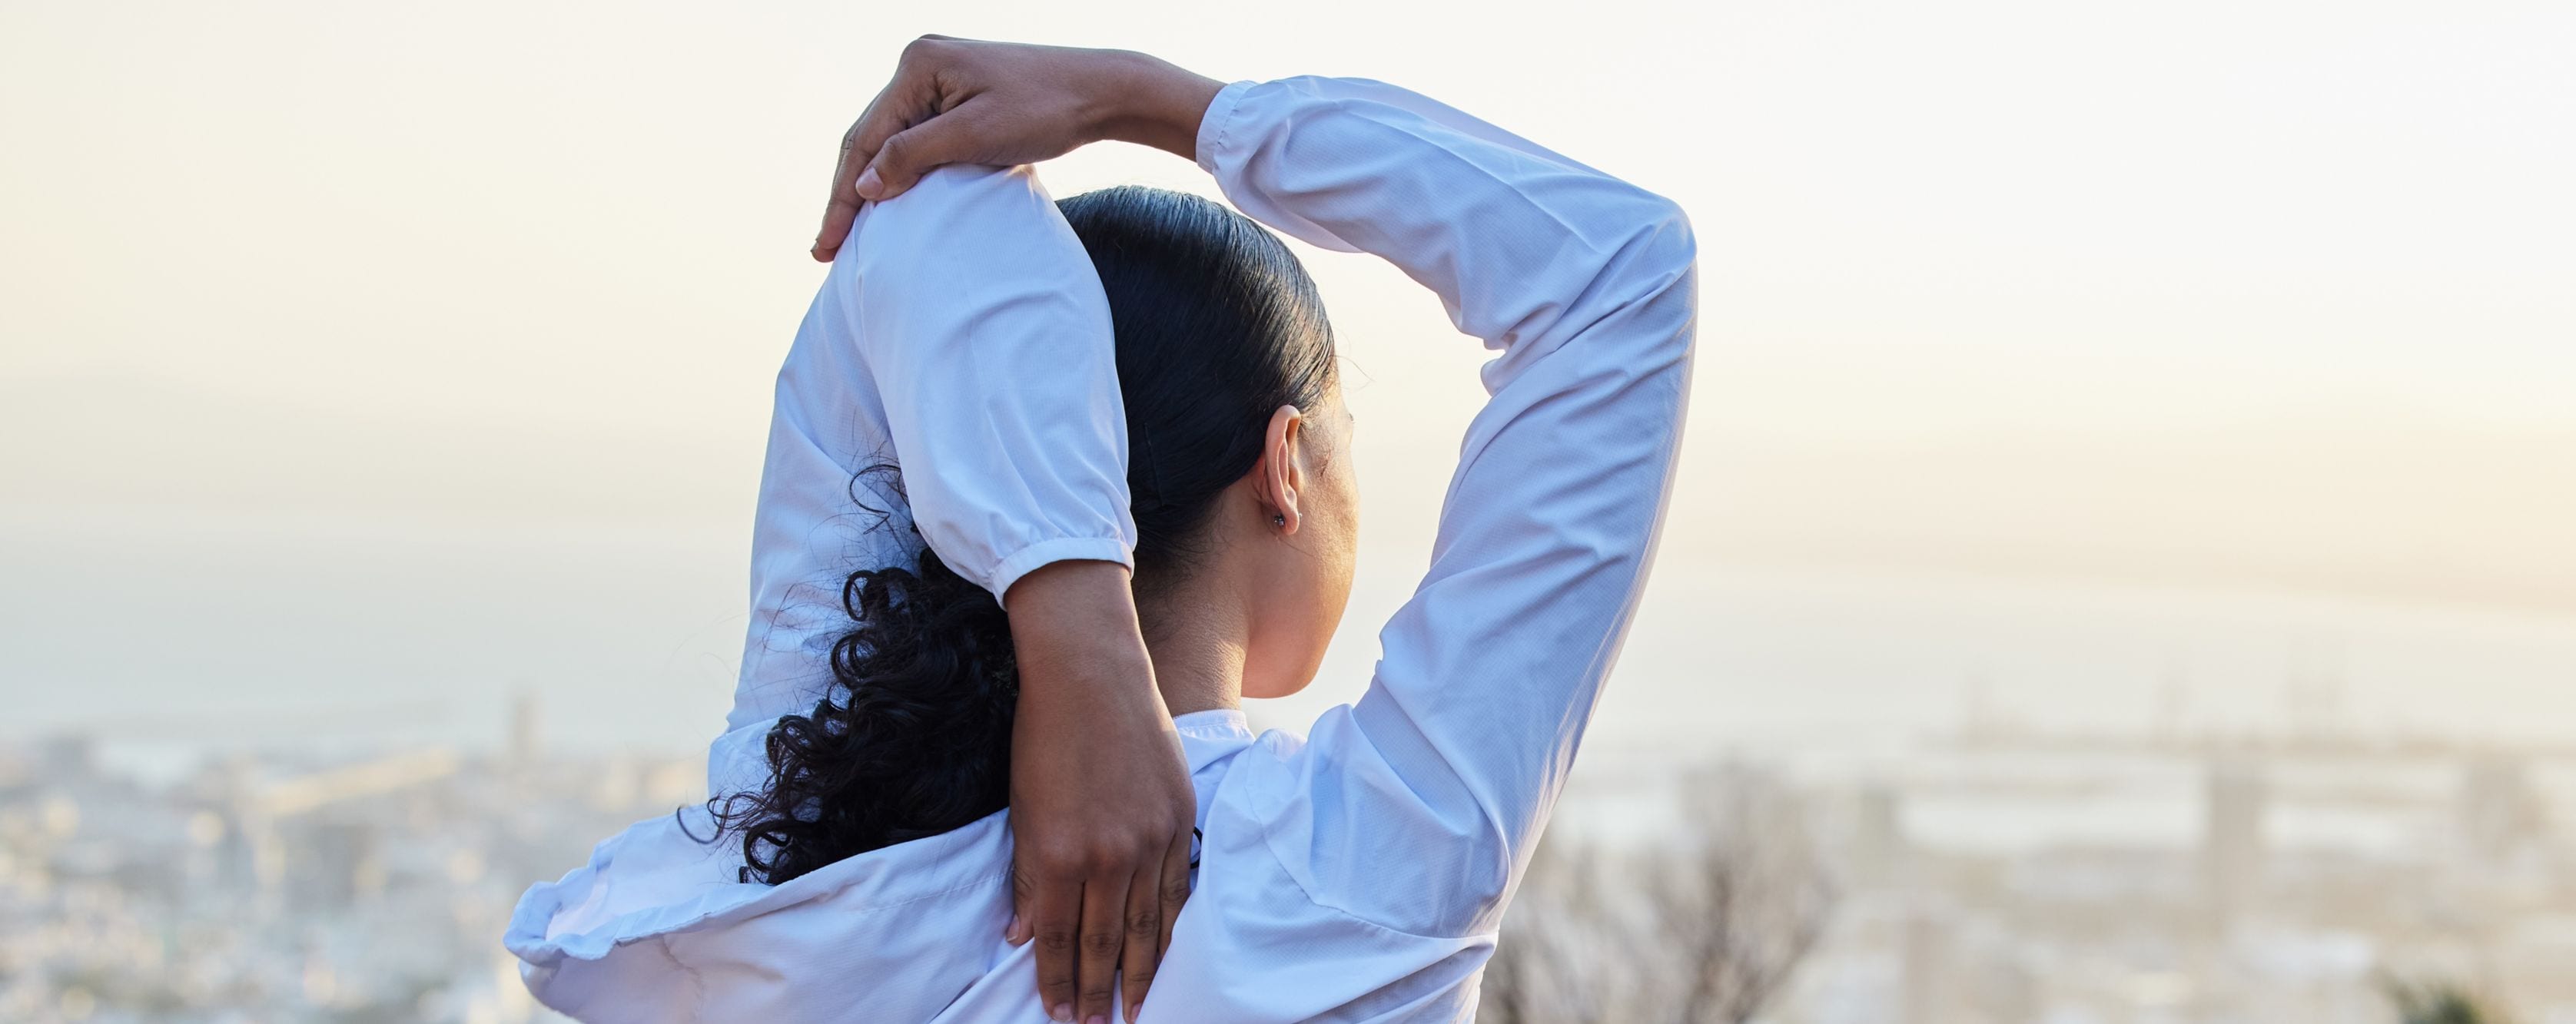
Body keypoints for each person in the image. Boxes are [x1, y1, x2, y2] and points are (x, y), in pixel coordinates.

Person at [503, 37, 1697, 1024]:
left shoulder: (806, 862)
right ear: (1284, 467)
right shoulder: (1349, 880)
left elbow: (924, 228)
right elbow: (1618, 275)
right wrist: (1143, 101)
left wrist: (1067, 611)